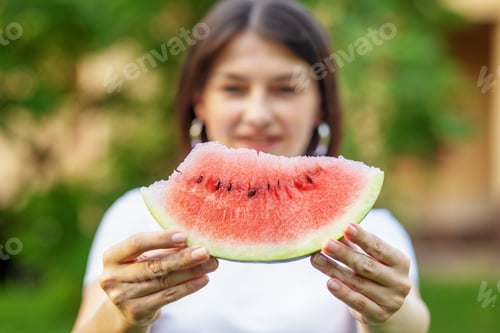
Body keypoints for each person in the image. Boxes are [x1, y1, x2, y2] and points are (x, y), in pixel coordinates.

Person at [72, 0, 430, 332]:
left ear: (320, 105)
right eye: (234, 89)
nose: (258, 114)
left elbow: (413, 320)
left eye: (286, 89)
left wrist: (390, 315)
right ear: (200, 102)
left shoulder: (370, 234)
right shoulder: (135, 220)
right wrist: (121, 317)